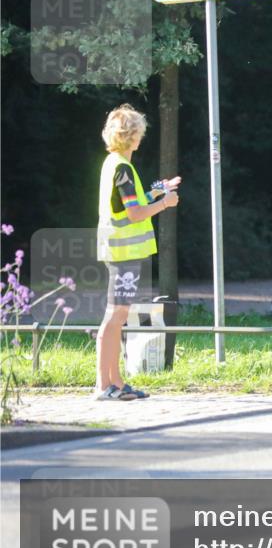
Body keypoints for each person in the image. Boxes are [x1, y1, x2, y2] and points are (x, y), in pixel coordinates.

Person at [95, 104, 181, 401]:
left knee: (115, 317)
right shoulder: (123, 168)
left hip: (120, 252)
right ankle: (108, 385)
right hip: (124, 253)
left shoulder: (114, 164)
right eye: (139, 133)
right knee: (115, 318)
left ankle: (110, 383)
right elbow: (134, 214)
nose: (141, 138)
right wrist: (165, 203)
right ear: (133, 136)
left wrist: (158, 190)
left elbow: (128, 204)